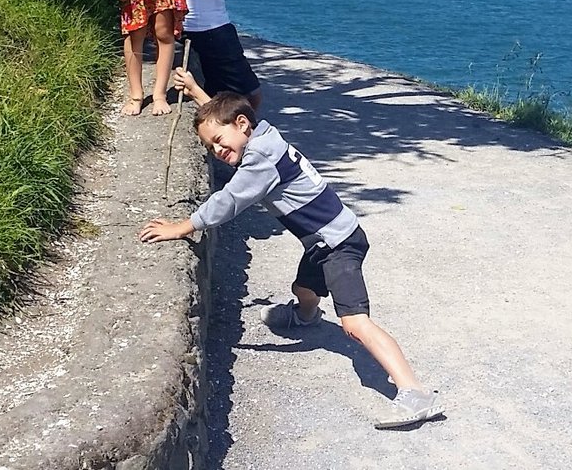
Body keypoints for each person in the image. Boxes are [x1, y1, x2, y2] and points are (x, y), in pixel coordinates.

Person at [137, 71, 444, 429]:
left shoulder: (259, 160)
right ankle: (307, 314)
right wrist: (195, 92)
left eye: (219, 142)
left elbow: (229, 201)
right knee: (303, 290)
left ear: (241, 125)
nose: (218, 152)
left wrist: (182, 227)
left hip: (339, 245)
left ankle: (414, 393)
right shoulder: (262, 135)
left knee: (355, 324)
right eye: (210, 148)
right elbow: (226, 119)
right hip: (323, 242)